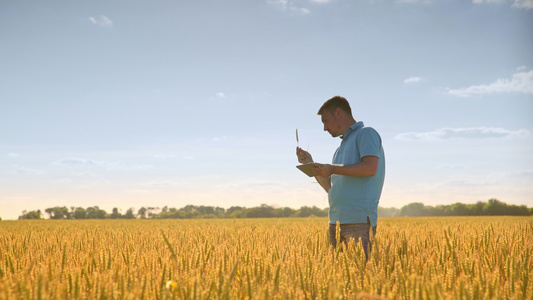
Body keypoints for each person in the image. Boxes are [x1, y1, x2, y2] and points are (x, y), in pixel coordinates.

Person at [296, 96, 385, 260]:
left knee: (361, 277)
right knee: (339, 279)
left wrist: (332, 168)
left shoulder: (366, 134)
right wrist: (311, 164)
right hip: (335, 222)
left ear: (338, 113)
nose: (324, 128)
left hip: (358, 221)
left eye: (326, 121)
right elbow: (331, 188)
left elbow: (371, 168)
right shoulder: (340, 148)